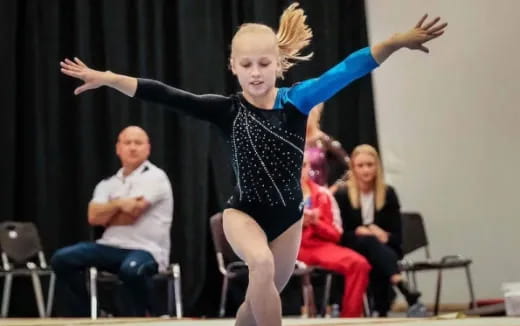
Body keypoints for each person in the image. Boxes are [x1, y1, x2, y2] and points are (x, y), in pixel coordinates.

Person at [60, 3, 446, 324]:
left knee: (258, 301)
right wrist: (108, 77)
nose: (256, 72)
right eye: (247, 65)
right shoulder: (226, 110)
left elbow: (347, 69)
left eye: (264, 63)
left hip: (289, 218)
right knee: (259, 264)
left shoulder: (298, 100)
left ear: (279, 64)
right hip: (243, 213)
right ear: (233, 65)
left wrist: (395, 42)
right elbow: (165, 95)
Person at [51, 126, 174, 317]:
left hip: (147, 249)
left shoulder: (156, 177)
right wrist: (121, 203)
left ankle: (146, 317)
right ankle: (88, 315)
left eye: (138, 143)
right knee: (62, 259)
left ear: (148, 148)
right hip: (110, 246)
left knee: (132, 271)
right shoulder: (107, 183)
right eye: (127, 142)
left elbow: (132, 213)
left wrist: (109, 213)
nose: (133, 147)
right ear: (118, 148)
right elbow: (93, 217)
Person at [335, 144, 418, 317]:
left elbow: (397, 237)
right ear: (353, 168)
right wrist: (360, 231)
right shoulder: (342, 194)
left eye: (370, 165)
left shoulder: (388, 194)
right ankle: (397, 285)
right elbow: (339, 235)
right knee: (369, 243)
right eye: (360, 165)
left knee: (375, 250)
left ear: (377, 167)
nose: (365, 170)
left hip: (385, 247)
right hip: (352, 245)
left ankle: (380, 310)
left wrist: (382, 234)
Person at [298, 152, 370, 317]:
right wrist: (297, 224)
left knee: (359, 264)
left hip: (319, 247)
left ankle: (350, 318)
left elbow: (336, 234)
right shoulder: (277, 196)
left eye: (303, 165)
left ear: (309, 167)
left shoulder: (324, 195)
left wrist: (316, 223)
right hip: (289, 248)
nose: (299, 169)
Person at [305, 102, 350, 189]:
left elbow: (352, 167)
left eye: (308, 115)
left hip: (320, 196)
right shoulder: (295, 140)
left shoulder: (324, 140)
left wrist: (335, 188)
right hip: (299, 196)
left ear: (316, 116)